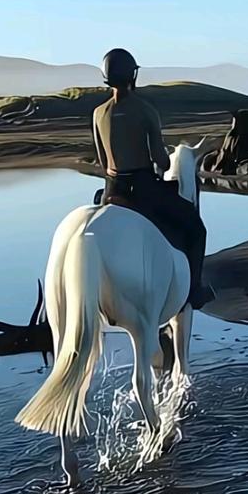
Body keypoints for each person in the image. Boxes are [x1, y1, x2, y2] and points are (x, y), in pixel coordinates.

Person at [92, 48, 213, 310]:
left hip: (111, 192)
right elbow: (163, 162)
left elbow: (102, 161)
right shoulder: (145, 110)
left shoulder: (98, 113)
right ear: (132, 76)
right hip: (143, 191)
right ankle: (194, 290)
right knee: (196, 229)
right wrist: (163, 158)